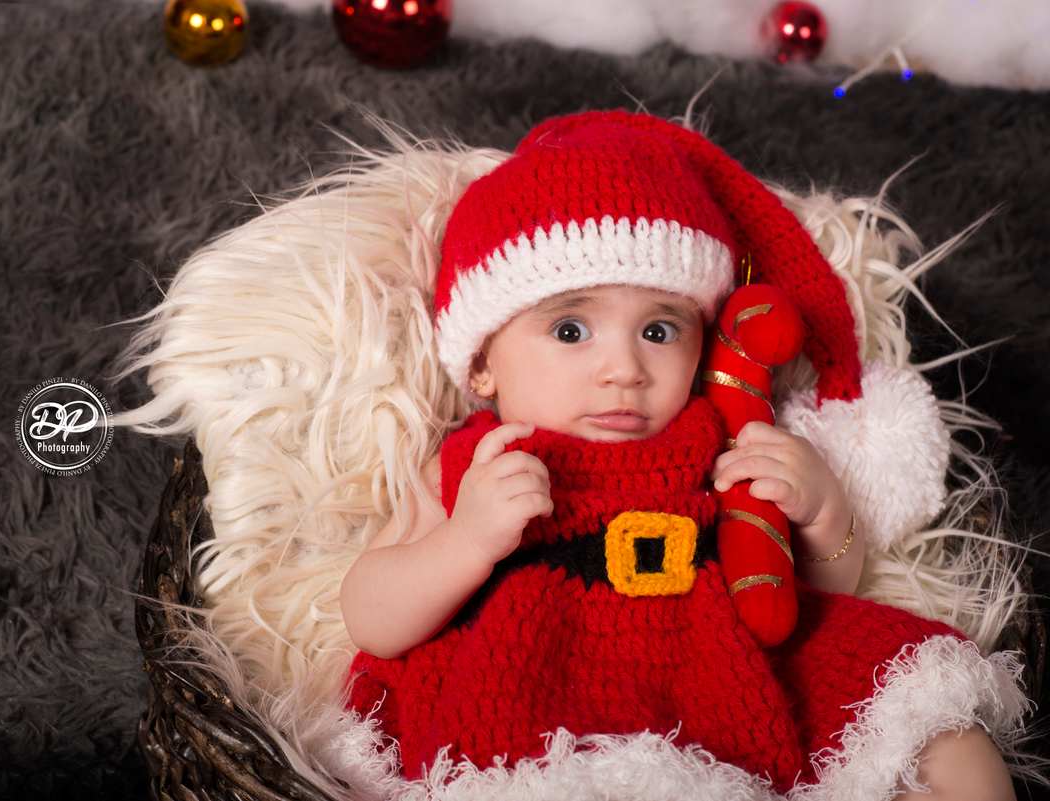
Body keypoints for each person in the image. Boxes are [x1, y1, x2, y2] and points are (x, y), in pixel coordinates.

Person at [339, 110, 1018, 799]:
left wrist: (819, 505)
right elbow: (371, 616)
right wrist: (464, 543)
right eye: (571, 329)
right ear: (482, 362)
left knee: (951, 741)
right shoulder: (475, 465)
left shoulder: (717, 440)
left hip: (720, 688)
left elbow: (815, 589)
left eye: (659, 329)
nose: (624, 367)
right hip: (534, 707)